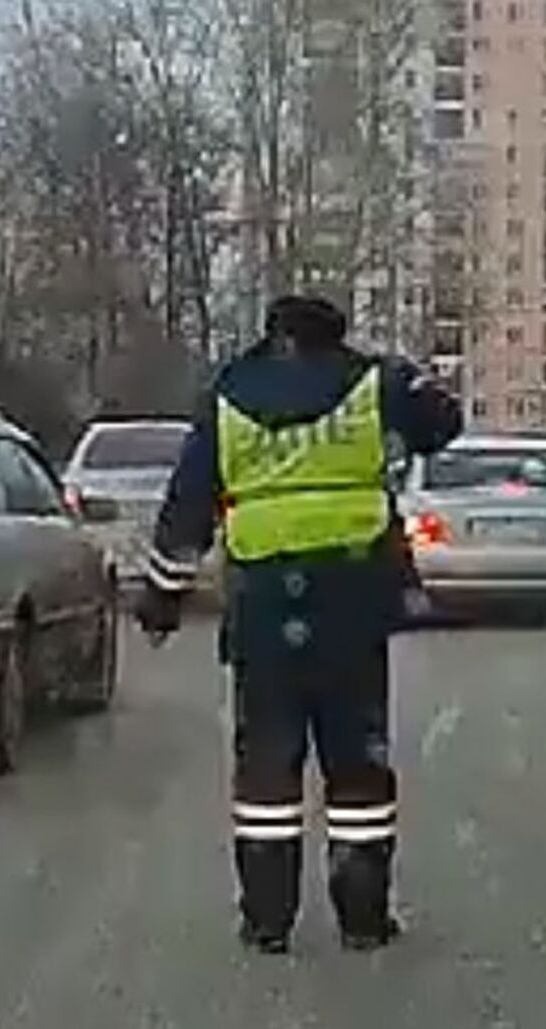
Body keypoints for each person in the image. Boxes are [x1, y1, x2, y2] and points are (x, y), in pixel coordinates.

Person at [134, 294, 462, 954]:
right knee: (358, 766)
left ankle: (266, 920)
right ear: (335, 335)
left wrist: (161, 598)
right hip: (353, 600)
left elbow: (188, 504)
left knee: (267, 769)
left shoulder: (229, 393)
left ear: (273, 334)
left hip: (263, 606)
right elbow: (444, 423)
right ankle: (363, 919)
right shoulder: (373, 383)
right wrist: (408, 376)